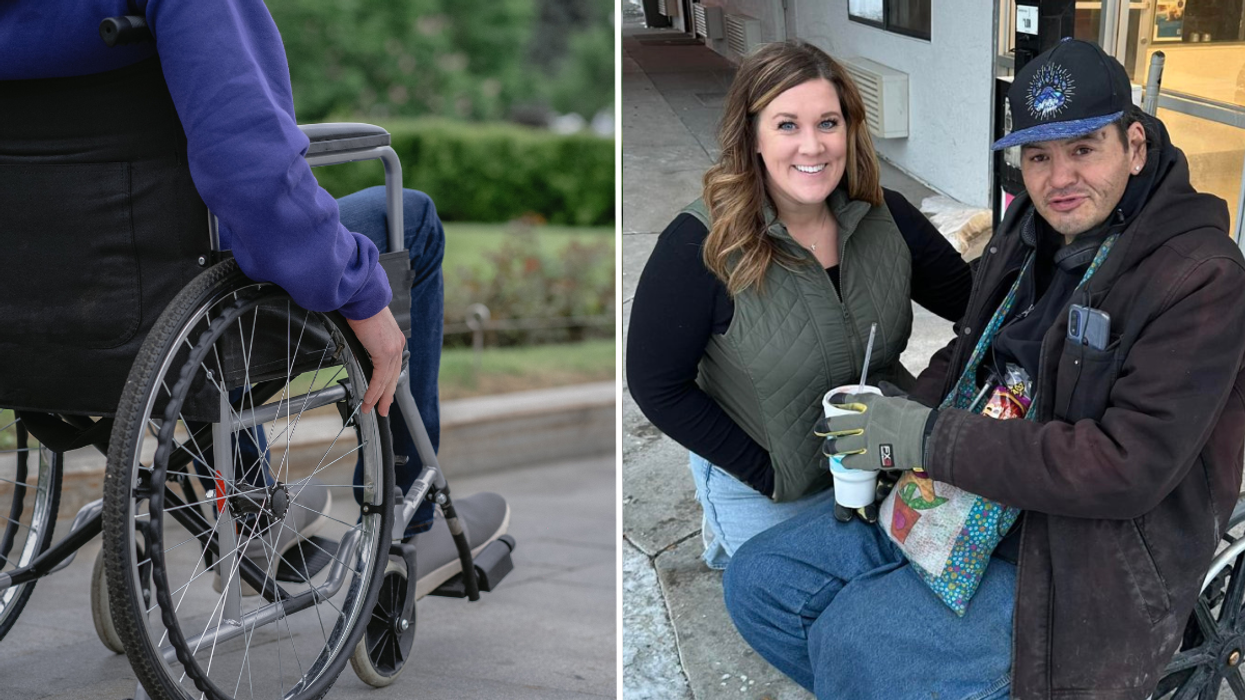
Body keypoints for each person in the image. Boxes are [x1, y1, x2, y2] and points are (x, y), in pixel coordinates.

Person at [724, 39, 1245, 699]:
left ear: (1133, 146)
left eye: (1082, 149)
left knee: (858, 645)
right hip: (969, 484)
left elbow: (1125, 469)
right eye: (1037, 156)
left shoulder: (1199, 277)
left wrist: (925, 436)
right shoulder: (1030, 226)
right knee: (761, 583)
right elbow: (969, 346)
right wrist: (893, 425)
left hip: (1080, 546)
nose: (1058, 179)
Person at [0, 0, 505, 586]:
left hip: (30, 315)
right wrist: (359, 287)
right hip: (166, 306)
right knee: (409, 218)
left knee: (204, 259)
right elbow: (252, 174)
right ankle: (408, 524)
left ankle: (256, 503)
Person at [626, 40, 972, 569]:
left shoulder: (888, 219)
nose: (812, 146)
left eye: (827, 123)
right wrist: (767, 473)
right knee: (797, 613)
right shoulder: (701, 246)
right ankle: (721, 521)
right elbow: (656, 384)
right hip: (768, 486)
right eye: (787, 125)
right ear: (753, 136)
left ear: (850, 129)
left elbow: (977, 307)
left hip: (878, 460)